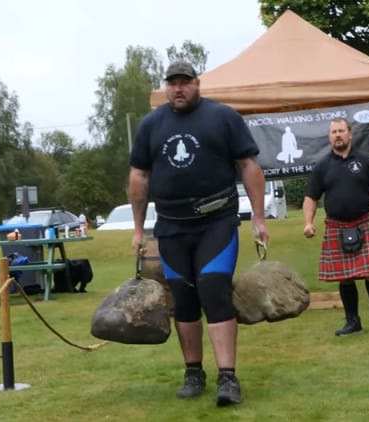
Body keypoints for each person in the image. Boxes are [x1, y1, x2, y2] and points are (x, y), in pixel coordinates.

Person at [128, 60, 269, 407]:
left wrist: (259, 218)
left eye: (185, 82)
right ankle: (193, 372)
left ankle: (227, 378)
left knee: (213, 289)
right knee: (184, 299)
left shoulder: (223, 118)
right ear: (166, 87)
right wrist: (137, 227)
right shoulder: (151, 125)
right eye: (173, 83)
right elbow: (139, 177)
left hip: (216, 222)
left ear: (197, 83)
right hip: (172, 227)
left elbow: (249, 166)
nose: (179, 88)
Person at [302, 118, 369, 336]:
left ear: (350, 134)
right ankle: (352, 321)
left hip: (365, 221)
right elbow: (310, 198)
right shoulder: (322, 166)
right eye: (333, 132)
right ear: (329, 136)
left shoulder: (366, 161)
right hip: (336, 225)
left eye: (341, 131)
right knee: (344, 276)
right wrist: (308, 222)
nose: (337, 135)